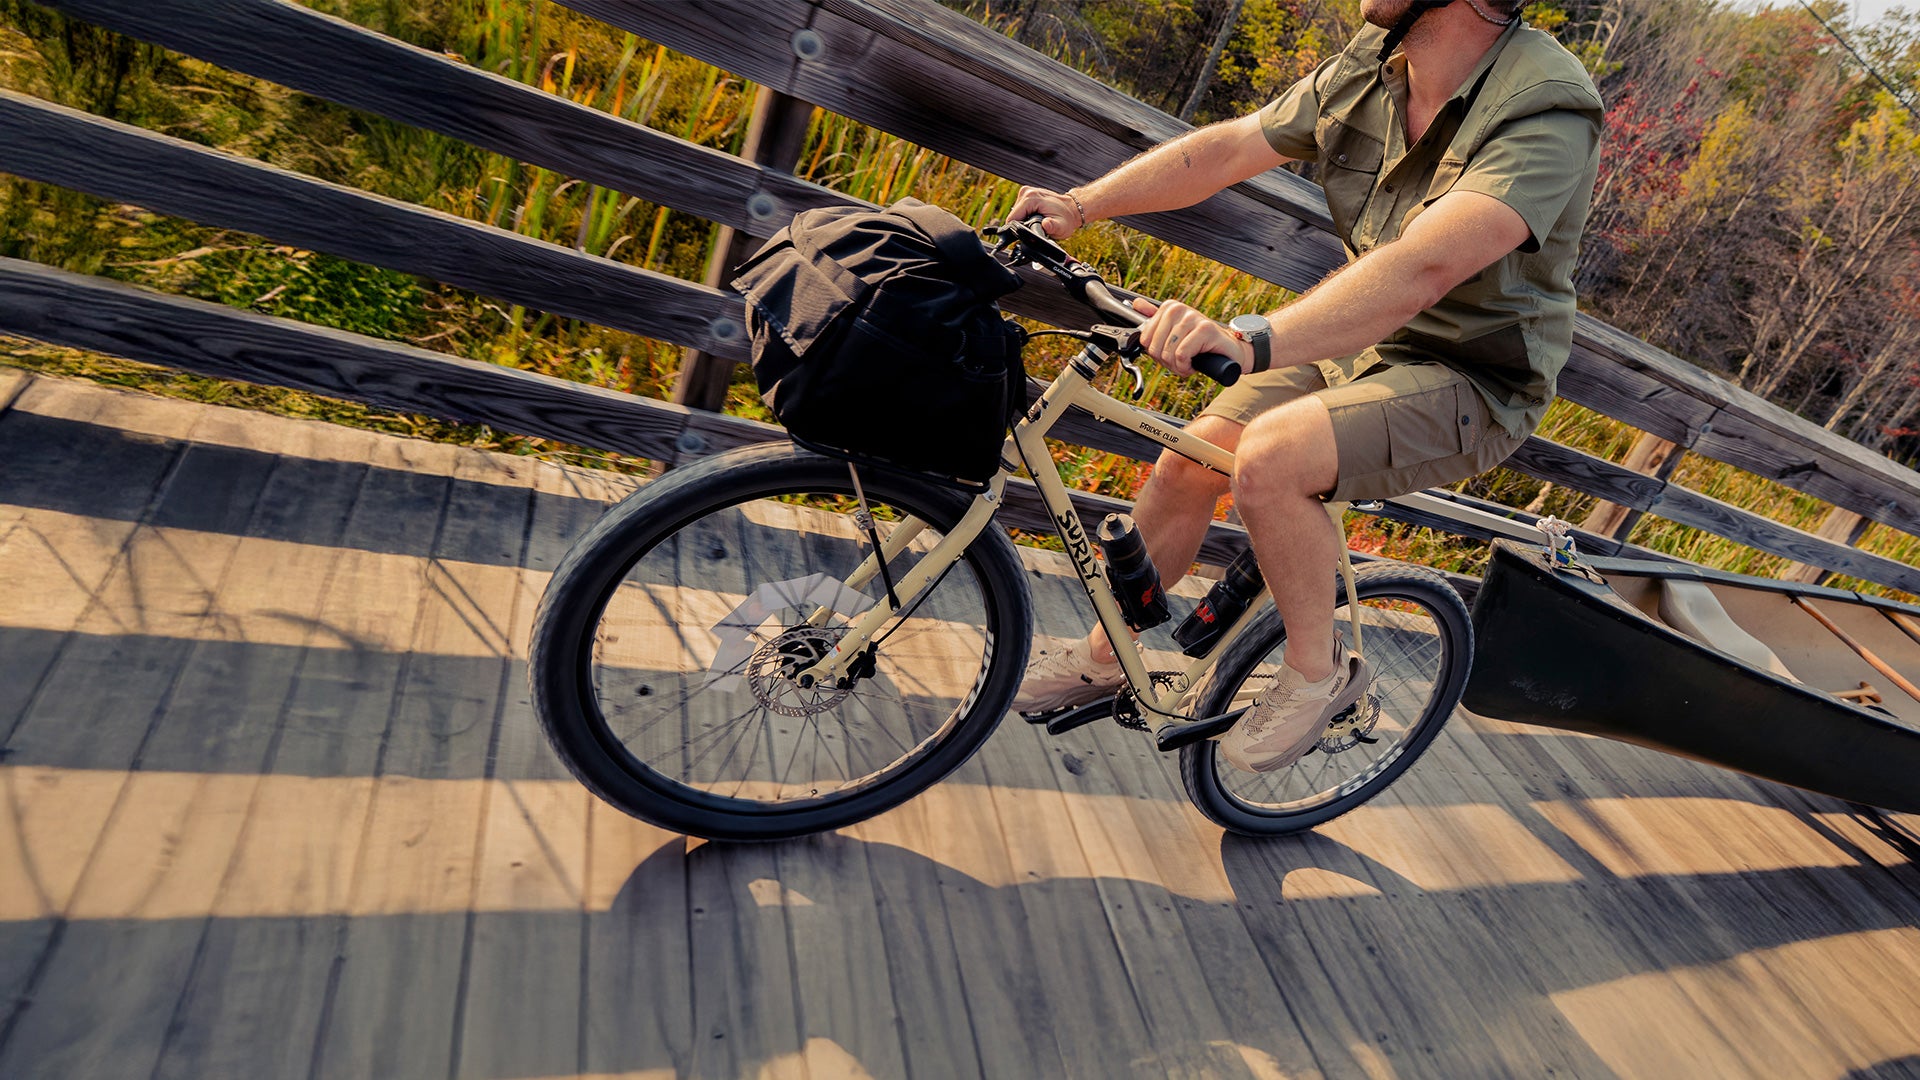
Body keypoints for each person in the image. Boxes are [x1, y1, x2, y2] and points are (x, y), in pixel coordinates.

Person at [1007, 0, 1603, 773]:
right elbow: (1229, 148)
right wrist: (1081, 204)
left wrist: (1252, 340)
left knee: (1273, 459)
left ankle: (1318, 677)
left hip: (1472, 380)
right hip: (1358, 340)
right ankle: (1103, 657)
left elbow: (1422, 266)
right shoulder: (1377, 60)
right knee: (1193, 457)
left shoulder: (1547, 105)